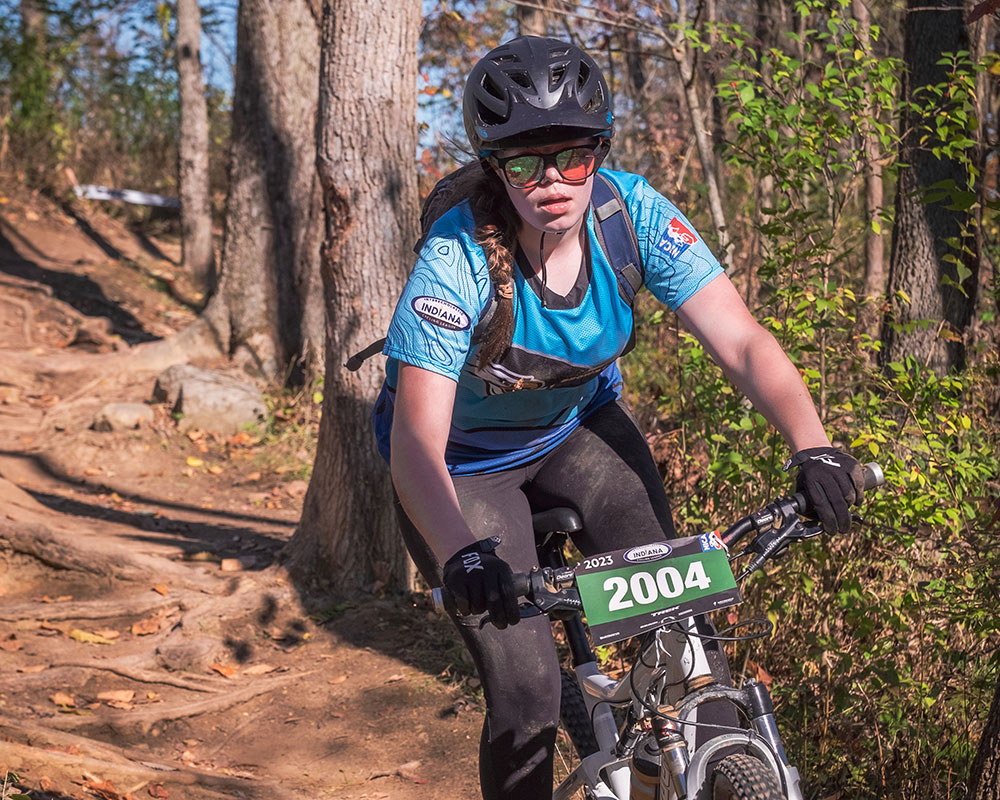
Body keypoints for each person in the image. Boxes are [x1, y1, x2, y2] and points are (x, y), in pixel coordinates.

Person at [372, 35, 864, 800]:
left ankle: (680, 770)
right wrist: (462, 555)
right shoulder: (455, 256)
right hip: (464, 467)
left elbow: (741, 341)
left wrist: (815, 447)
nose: (551, 181)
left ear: (599, 150)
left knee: (690, 642)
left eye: (571, 157)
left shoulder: (629, 216)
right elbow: (415, 444)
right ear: (494, 166)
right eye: (524, 164)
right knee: (528, 693)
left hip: (577, 433)